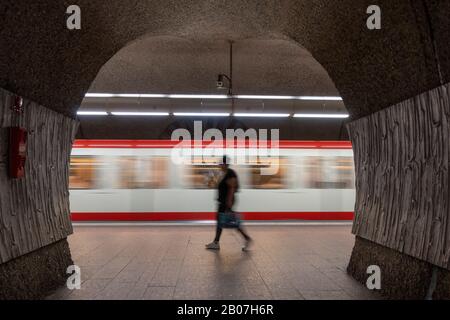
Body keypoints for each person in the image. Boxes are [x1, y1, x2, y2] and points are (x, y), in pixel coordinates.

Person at [206, 155, 252, 251]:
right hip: (223, 201)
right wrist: (211, 179)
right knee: (221, 220)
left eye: (221, 164)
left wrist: (229, 203)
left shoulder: (230, 173)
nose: (220, 165)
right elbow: (215, 185)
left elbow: (231, 188)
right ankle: (216, 242)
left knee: (231, 221)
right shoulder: (223, 173)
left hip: (227, 201)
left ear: (225, 164)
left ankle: (247, 238)